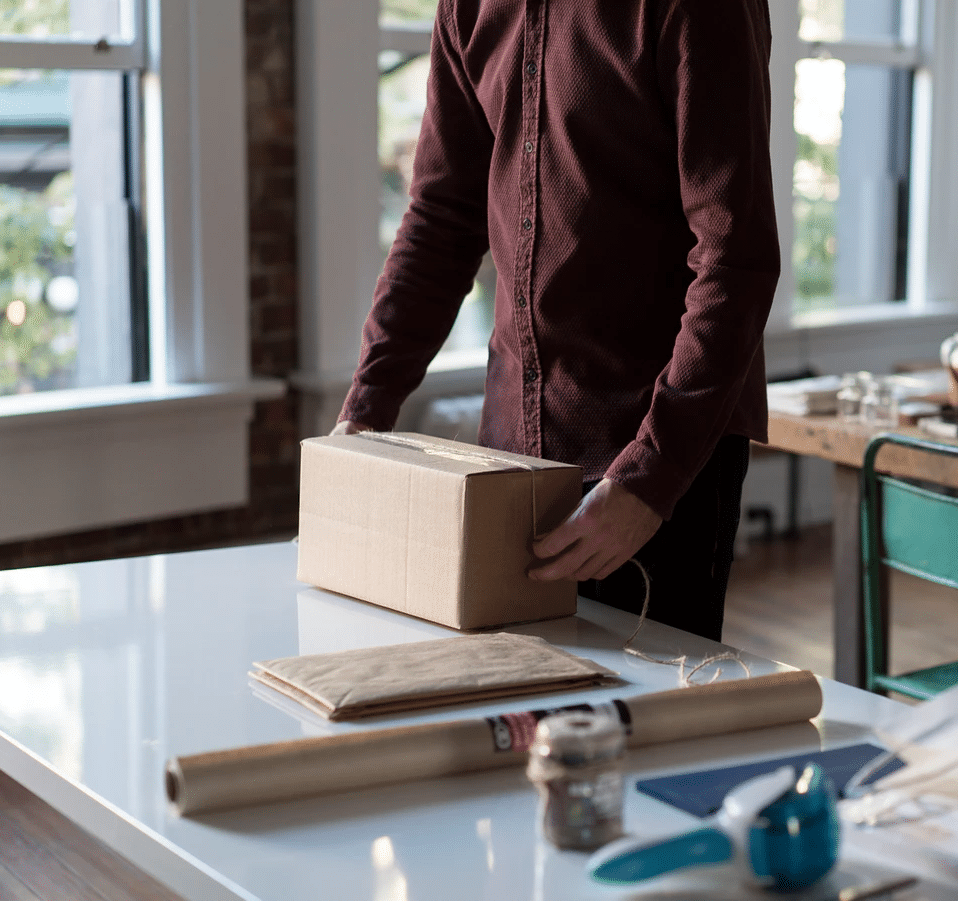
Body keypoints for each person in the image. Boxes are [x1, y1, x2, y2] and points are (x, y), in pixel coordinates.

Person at [332, 0, 780, 643]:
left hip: (654, 456)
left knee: (643, 729)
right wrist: (363, 415)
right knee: (518, 720)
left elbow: (735, 259)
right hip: (509, 461)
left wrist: (649, 480)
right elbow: (440, 221)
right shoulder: (466, 8)